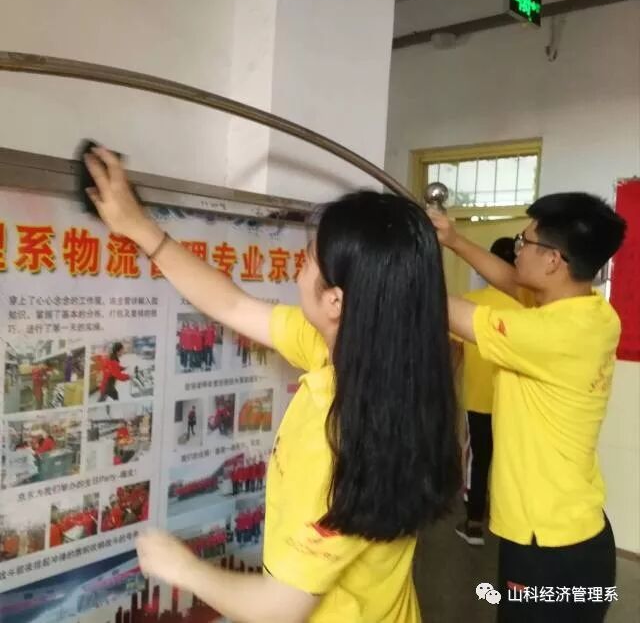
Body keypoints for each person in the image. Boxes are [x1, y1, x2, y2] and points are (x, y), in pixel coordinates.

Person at [85, 146, 460, 623]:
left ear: (336, 301)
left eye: (308, 261)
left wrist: (181, 567)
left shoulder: (339, 441)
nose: (298, 269)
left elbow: (279, 608)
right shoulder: (378, 364)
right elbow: (234, 306)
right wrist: (140, 228)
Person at [429, 193, 626, 623]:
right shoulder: (592, 313)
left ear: (553, 260)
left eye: (524, 241)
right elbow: (511, 282)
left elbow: (445, 310)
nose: (517, 250)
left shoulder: (549, 333)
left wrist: (391, 263)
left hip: (548, 551)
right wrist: (454, 240)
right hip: (575, 532)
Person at [453, 237, 521, 547]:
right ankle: (510, 525)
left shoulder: (470, 302)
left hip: (478, 400)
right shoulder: (527, 307)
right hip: (514, 404)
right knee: (509, 461)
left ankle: (474, 524)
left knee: (477, 460)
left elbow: (455, 353)